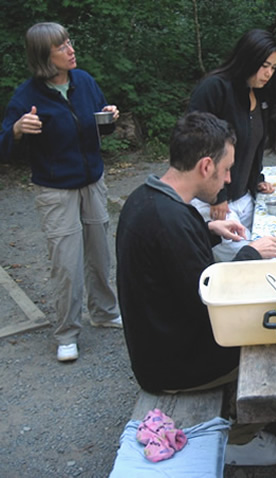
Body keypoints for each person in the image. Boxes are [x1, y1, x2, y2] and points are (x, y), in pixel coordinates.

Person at [116, 111, 276, 466]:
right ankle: (239, 440)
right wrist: (250, 254)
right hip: (173, 365)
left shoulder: (148, 197)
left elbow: (174, 263)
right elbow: (212, 299)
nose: (229, 178)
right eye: (226, 170)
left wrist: (208, 231)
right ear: (206, 165)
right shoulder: (170, 222)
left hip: (159, 341)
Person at [0, 22, 122, 363]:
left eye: (69, 42)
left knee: (100, 252)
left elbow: (99, 126)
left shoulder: (84, 81)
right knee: (67, 263)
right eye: (61, 46)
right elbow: (4, 147)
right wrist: (18, 130)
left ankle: (104, 311)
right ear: (44, 56)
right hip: (56, 190)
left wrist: (110, 115)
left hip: (92, 182)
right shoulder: (27, 96)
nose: (70, 50)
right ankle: (67, 333)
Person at [188, 29, 276, 261]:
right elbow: (194, 144)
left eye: (273, 67)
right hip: (213, 203)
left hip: (244, 198)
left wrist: (257, 180)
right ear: (248, 58)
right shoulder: (215, 88)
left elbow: (254, 146)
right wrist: (218, 196)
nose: (268, 73)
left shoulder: (259, 95)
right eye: (264, 65)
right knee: (253, 262)